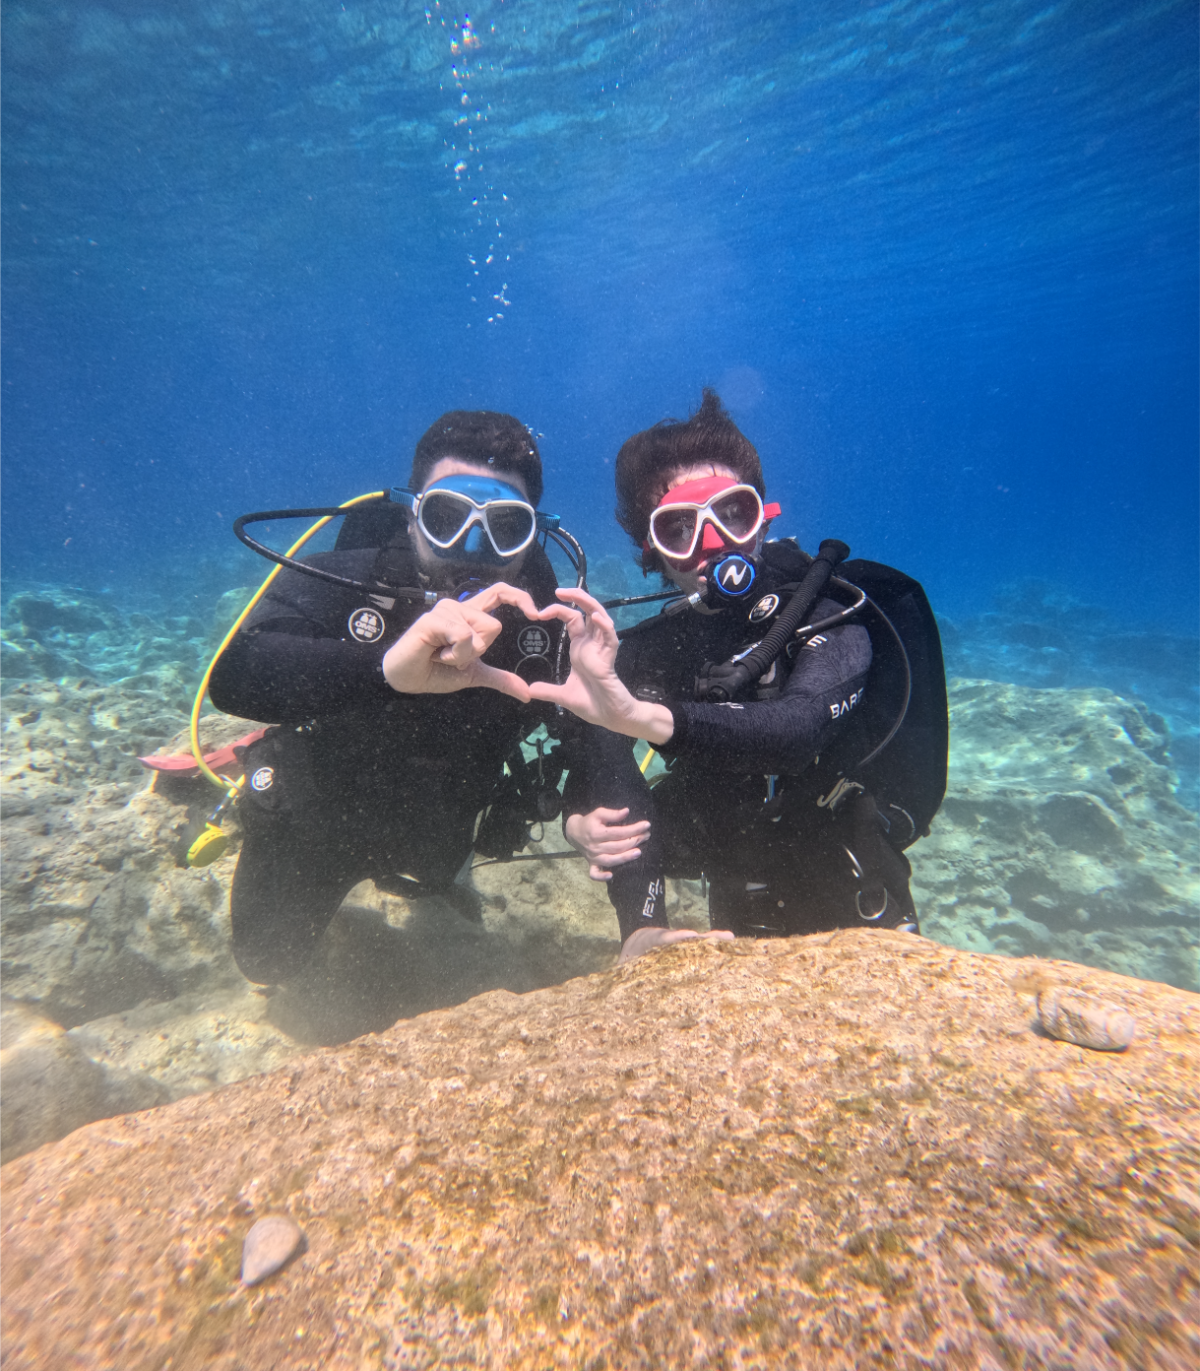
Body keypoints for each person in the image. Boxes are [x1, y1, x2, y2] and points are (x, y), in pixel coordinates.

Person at [521, 389, 948, 963]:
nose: (714, 542)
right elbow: (603, 765)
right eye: (680, 528)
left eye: (733, 513)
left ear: (763, 518)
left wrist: (645, 716)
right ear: (651, 551)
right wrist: (591, 839)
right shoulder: (646, 652)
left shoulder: (827, 609)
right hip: (732, 902)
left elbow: (797, 729)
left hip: (854, 901)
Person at [208, 410, 566, 985]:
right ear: (410, 517)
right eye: (446, 517)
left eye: (506, 525)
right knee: (266, 964)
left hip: (437, 826)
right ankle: (254, 754)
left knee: (432, 881)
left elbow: (590, 729)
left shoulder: (546, 625)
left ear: (532, 536)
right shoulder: (339, 577)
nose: (472, 546)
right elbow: (234, 675)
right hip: (313, 819)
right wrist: (381, 670)